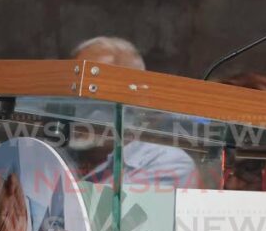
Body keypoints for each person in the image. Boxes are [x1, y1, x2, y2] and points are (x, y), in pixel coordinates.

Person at [71, 36, 199, 189]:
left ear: (137, 99)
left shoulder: (167, 164)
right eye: (78, 86)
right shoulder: (46, 155)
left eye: (101, 89)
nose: (86, 100)